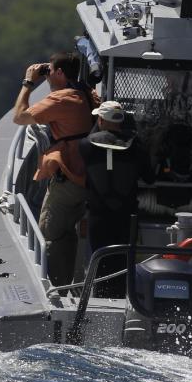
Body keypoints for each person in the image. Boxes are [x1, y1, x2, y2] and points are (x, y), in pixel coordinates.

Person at [13, 52, 100, 286]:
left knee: (51, 231)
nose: (47, 74)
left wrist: (28, 83)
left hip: (70, 178)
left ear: (60, 73)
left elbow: (20, 117)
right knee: (67, 230)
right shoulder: (85, 92)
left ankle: (55, 288)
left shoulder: (62, 100)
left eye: (49, 70)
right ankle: (67, 280)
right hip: (88, 174)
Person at [78, 101, 155, 297]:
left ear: (101, 120)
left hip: (98, 214)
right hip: (126, 215)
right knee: (124, 259)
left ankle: (99, 299)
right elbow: (149, 177)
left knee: (99, 259)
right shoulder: (136, 145)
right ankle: (122, 300)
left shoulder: (86, 145)